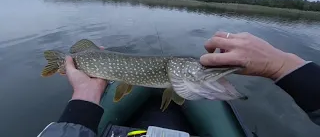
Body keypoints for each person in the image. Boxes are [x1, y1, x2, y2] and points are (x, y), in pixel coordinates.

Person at [38, 32, 320, 137]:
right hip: (97, 62)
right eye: (197, 67)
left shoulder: (172, 76)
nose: (201, 70)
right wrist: (283, 67)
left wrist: (85, 93)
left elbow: (177, 90)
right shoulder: (169, 73)